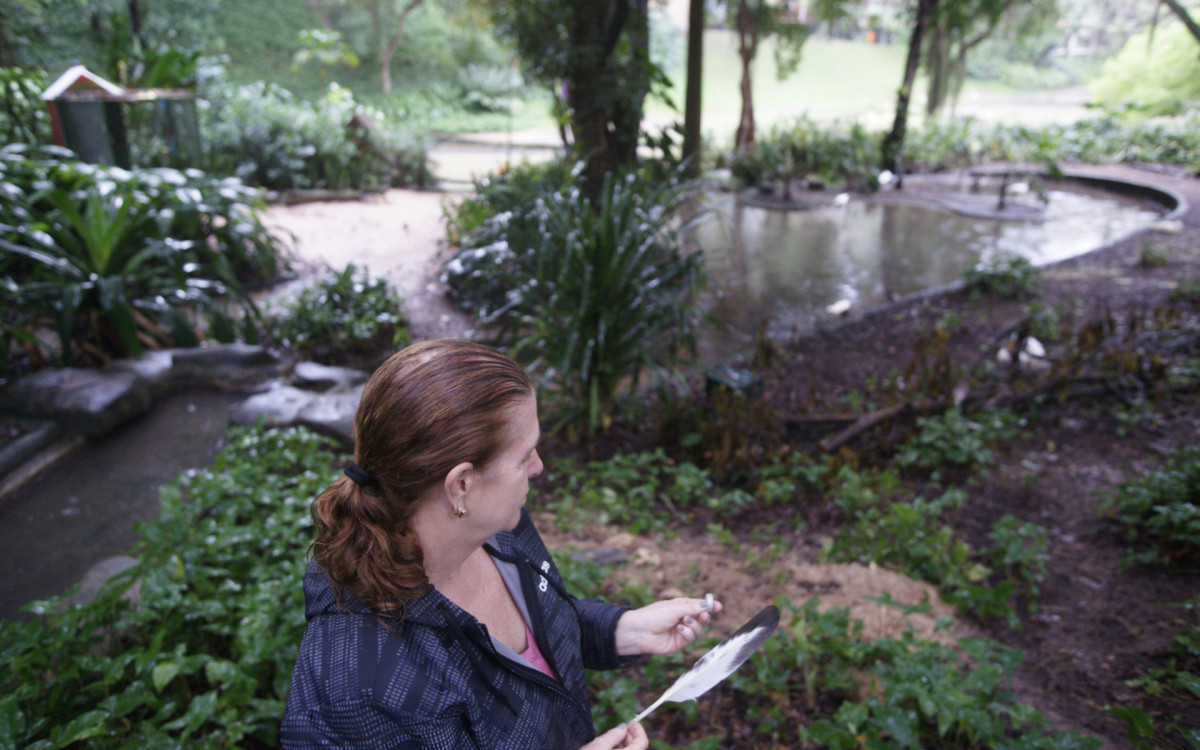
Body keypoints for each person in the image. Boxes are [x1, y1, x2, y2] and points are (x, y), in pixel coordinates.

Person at [281, 339, 722, 749]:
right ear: (462, 484)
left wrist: (623, 631)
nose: (539, 466)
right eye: (523, 454)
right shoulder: (360, 694)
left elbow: (541, 638)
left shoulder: (499, 531)